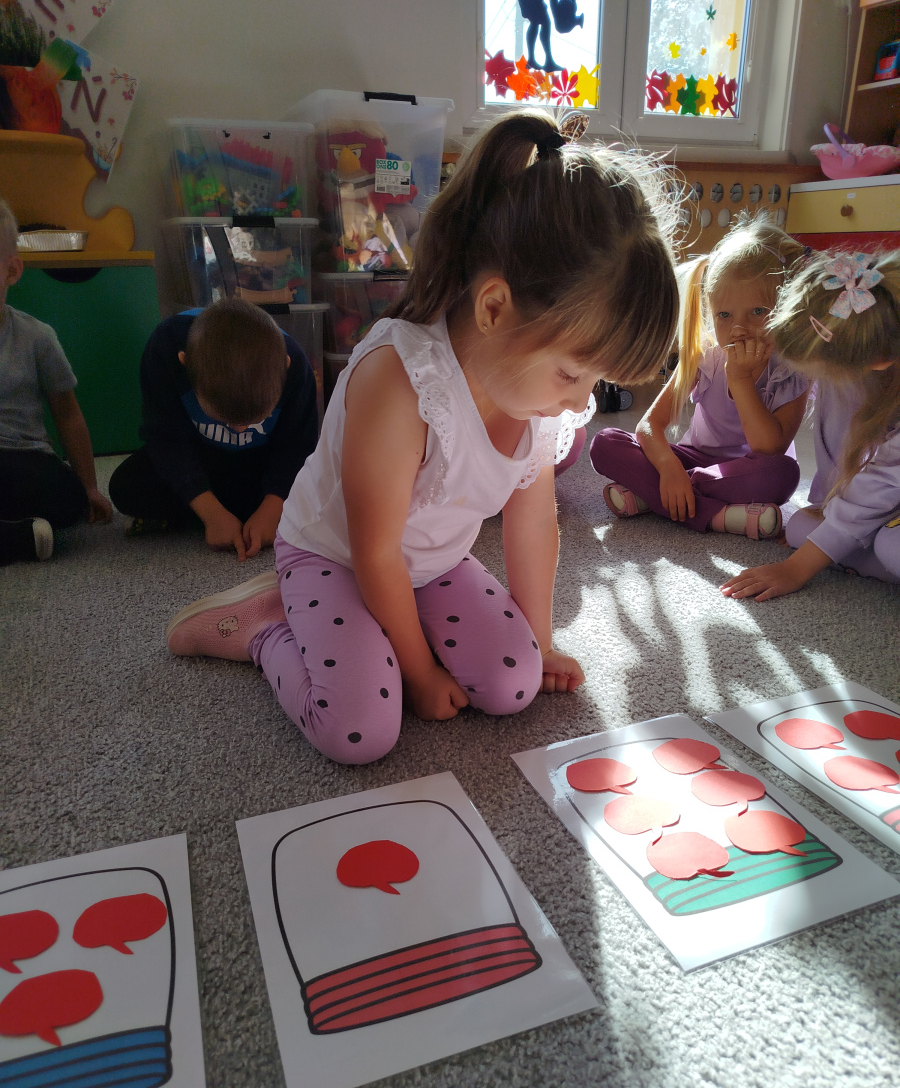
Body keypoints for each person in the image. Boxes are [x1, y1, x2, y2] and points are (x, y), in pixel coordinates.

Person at [164, 111, 680, 765]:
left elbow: (532, 523)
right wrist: (418, 671)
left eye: (596, 382)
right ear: (493, 309)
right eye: (573, 374)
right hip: (336, 556)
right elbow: (374, 551)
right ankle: (267, 629)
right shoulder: (401, 381)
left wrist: (541, 641)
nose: (583, 403)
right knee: (360, 730)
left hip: (430, 565)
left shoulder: (539, 400)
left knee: (514, 684)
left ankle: (376, 635)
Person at [589, 214, 810, 540]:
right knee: (605, 443)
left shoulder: (792, 370)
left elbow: (769, 448)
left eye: (758, 312)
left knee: (784, 474)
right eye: (724, 315)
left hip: (746, 470)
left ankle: (655, 496)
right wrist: (669, 469)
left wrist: (740, 379)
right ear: (711, 313)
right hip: (693, 458)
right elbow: (650, 426)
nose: (739, 328)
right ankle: (718, 516)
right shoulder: (704, 355)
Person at [721, 248, 899, 600]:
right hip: (886, 504)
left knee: (890, 548)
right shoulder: (868, 351)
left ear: (879, 361)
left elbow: (881, 484)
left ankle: (859, 550)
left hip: (887, 507)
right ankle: (853, 545)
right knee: (802, 527)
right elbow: (841, 455)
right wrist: (828, 518)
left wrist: (797, 568)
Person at [109, 298, 318, 560]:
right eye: (225, 418)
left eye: (255, 419)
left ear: (285, 367)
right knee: (126, 486)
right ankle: (224, 516)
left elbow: (297, 448)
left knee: (328, 491)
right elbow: (165, 439)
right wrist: (211, 513)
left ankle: (216, 517)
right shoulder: (165, 347)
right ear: (185, 363)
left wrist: (272, 509)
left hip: (261, 463)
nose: (240, 430)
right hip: (199, 457)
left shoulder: (297, 366)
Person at [0, 198, 112, 565]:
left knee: (66, 498)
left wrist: (90, 487)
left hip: (23, 459)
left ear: (11, 271)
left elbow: (67, 414)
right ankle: (19, 539)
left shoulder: (36, 337)